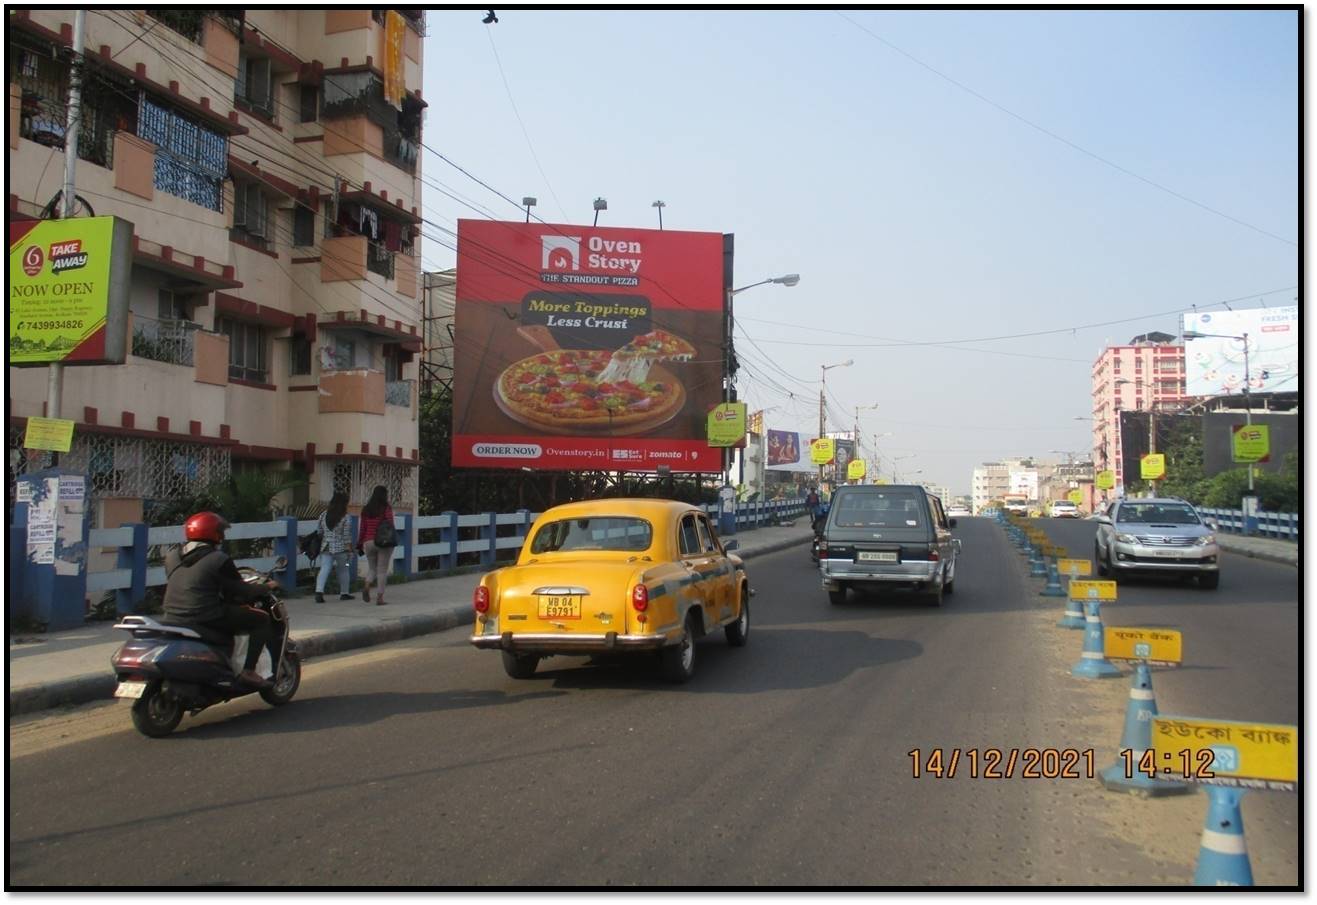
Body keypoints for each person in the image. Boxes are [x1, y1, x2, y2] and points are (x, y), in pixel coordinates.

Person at [161, 511, 278, 688]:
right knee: (261, 619)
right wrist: (266, 587)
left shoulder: (172, 557)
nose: (222, 536)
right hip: (205, 615)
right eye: (220, 531)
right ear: (213, 533)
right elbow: (243, 591)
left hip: (172, 615)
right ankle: (248, 671)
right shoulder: (218, 559)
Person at [356, 485, 394, 606]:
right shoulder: (386, 508)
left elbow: (362, 528)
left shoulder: (366, 509)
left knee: (372, 568)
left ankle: (367, 586)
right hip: (382, 542)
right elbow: (390, 524)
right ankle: (380, 598)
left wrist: (360, 543)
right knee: (382, 570)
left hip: (368, 542)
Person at [314, 491, 353, 603]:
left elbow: (319, 531)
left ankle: (319, 592)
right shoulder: (346, 517)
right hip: (341, 549)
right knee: (344, 569)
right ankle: (344, 593)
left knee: (324, 568)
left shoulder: (323, 515)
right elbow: (346, 537)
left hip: (326, 547)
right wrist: (350, 550)